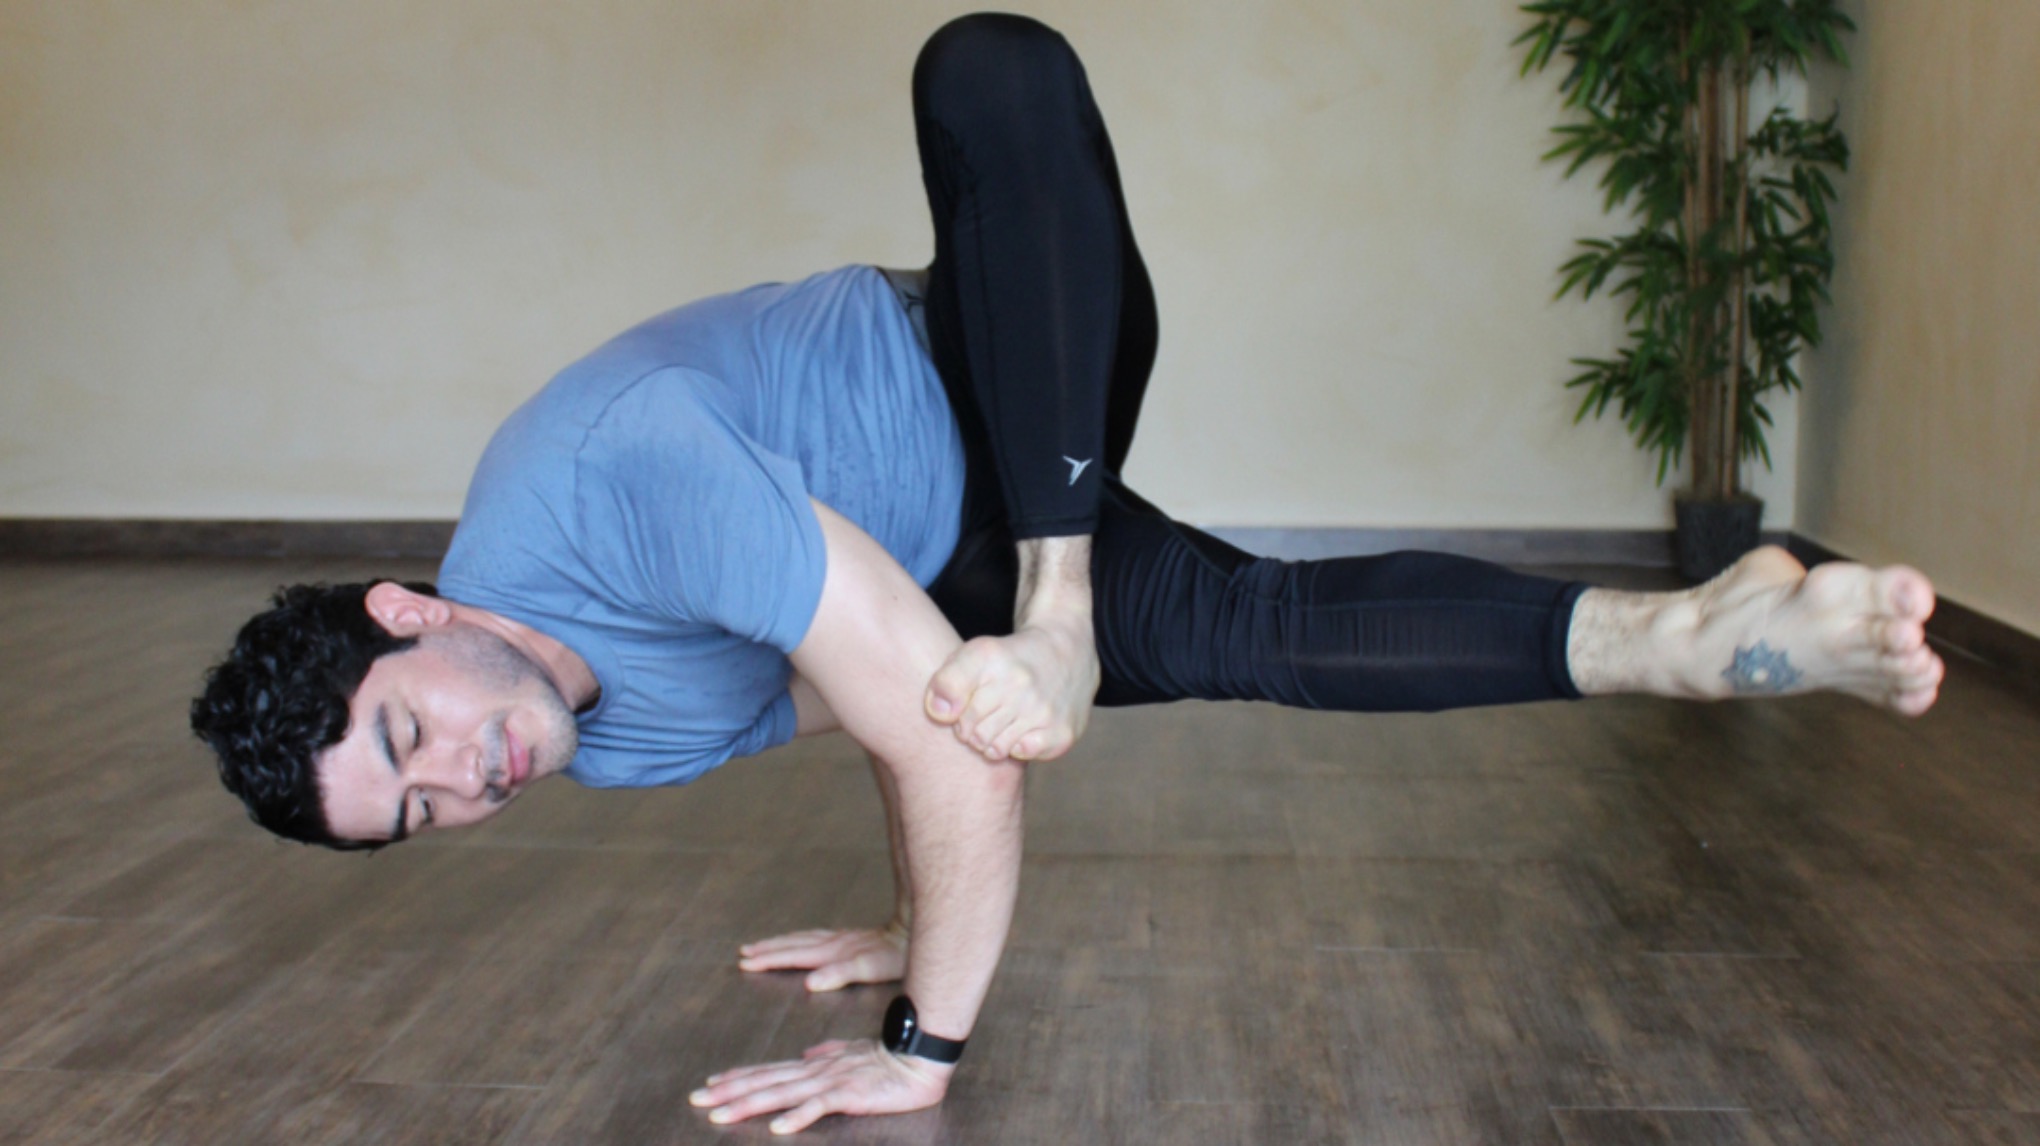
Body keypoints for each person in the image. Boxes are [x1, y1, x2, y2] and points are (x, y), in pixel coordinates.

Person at [189, 13, 1944, 1135]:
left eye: (409, 734)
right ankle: (1692, 632)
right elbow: (882, 699)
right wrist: (910, 915)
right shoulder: (591, 738)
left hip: (1006, 363)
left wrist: (921, 1038)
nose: (466, 780)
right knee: (1261, 625)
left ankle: (1063, 606)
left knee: (987, 64)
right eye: (418, 814)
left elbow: (952, 750)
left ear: (414, 613)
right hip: (952, 574)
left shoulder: (599, 481)